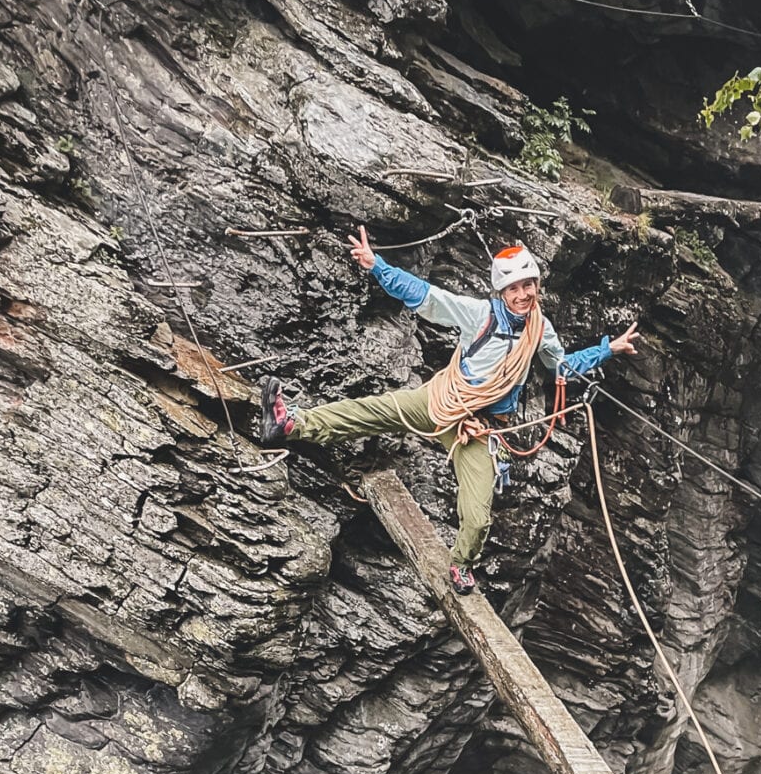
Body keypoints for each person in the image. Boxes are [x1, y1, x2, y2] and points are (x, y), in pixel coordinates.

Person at [262, 228, 639, 593]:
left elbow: (561, 367)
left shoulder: (540, 330)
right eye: (514, 288)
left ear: (536, 286)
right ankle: (291, 423)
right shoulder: (480, 315)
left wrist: (608, 349)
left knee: (477, 516)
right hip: (445, 401)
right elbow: (427, 297)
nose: (523, 294)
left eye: (528, 286)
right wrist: (377, 266)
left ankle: (461, 564)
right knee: (372, 411)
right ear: (502, 291)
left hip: (483, 429)